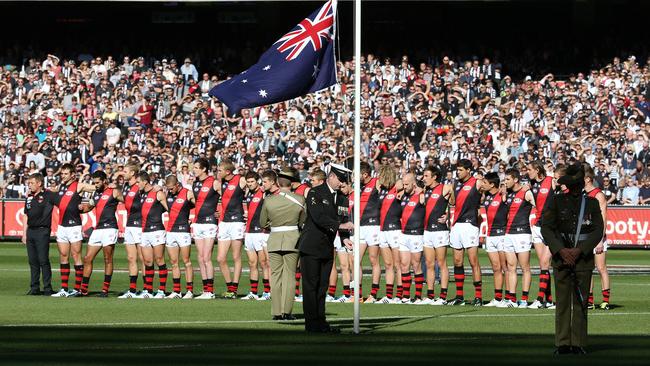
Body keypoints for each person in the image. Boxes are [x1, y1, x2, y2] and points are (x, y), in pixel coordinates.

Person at [541, 163, 604, 355]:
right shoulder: (556, 201)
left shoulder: (592, 203)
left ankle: (578, 343)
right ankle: (562, 343)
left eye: (577, 184)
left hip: (582, 258)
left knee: (580, 302)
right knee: (562, 303)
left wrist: (580, 250)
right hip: (561, 257)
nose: (576, 187)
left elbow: (597, 230)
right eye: (573, 184)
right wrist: (560, 250)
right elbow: (546, 228)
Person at [299, 164, 353, 333]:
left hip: (327, 246)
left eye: (344, 181)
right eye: (340, 180)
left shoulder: (342, 198)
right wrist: (341, 226)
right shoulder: (315, 192)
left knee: (323, 286)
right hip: (311, 245)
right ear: (331, 177)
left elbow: (343, 216)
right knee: (310, 286)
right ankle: (311, 323)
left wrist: (345, 239)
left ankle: (321, 321)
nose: (342, 184)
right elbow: (318, 217)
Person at [260, 169, 306, 320]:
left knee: (275, 276)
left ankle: (276, 312)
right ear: (292, 183)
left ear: (278, 183)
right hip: (292, 238)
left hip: (274, 239)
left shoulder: (269, 200)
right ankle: (287, 311)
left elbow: (262, 222)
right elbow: (302, 221)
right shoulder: (300, 199)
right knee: (290, 276)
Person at [79, 170, 124, 297]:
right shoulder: (95, 194)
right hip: (98, 229)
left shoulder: (113, 191)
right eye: (94, 182)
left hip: (110, 228)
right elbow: (89, 207)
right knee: (87, 258)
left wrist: (118, 187)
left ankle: (105, 290)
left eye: (98, 182)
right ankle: (84, 290)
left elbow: (126, 199)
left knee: (107, 259)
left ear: (105, 181)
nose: (96, 185)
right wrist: (82, 208)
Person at [50, 164, 90, 297]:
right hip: (62, 226)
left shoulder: (78, 185)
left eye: (66, 174)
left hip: (74, 226)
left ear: (72, 174)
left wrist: (86, 203)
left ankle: (77, 289)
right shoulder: (61, 186)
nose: (63, 176)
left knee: (76, 256)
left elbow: (95, 189)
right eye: (62, 174)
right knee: (63, 256)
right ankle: (64, 289)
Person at [448, 159, 483, 306]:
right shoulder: (455, 184)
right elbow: (452, 203)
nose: (458, 172)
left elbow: (491, 189)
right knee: (457, 261)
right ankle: (459, 296)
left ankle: (478, 296)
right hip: (457, 225)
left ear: (469, 170)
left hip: (470, 224)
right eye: (457, 170)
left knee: (473, 261)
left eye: (461, 170)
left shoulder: (477, 182)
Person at [501, 168, 536, 308]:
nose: (505, 182)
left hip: (522, 233)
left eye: (507, 179)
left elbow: (539, 206)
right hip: (509, 234)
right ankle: (512, 299)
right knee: (511, 267)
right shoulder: (508, 193)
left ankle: (524, 299)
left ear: (515, 180)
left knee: (525, 268)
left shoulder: (526, 192)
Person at [422, 165, 454, 305]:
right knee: (429, 263)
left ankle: (443, 297)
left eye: (426, 176)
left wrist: (447, 215)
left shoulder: (445, 188)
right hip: (427, 230)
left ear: (434, 177)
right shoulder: (425, 190)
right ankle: (430, 296)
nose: (424, 179)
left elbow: (454, 204)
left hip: (440, 230)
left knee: (441, 263)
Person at [22, 173, 58, 296]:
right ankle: (34, 287)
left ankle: (47, 288)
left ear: (39, 183)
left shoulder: (48, 195)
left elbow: (61, 202)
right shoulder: (29, 197)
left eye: (31, 183)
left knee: (43, 260)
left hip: (42, 231)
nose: (29, 185)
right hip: (30, 231)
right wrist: (24, 233)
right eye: (28, 183)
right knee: (32, 261)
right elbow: (26, 215)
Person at [526, 160, 556, 309]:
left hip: (550, 227)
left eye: (529, 169)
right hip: (538, 226)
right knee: (543, 265)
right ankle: (549, 301)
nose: (527, 172)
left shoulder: (550, 181)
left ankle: (539, 299)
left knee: (545, 263)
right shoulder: (531, 184)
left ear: (537, 170)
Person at [216, 160, 247, 299]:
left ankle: (233, 289)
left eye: (220, 170)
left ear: (228, 171)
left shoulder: (240, 180)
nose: (218, 172)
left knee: (236, 256)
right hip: (224, 222)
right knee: (221, 258)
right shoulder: (221, 183)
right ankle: (230, 288)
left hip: (237, 222)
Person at [135, 171, 169, 299]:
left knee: (159, 260)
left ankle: (161, 291)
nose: (137, 184)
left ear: (145, 182)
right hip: (145, 231)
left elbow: (169, 208)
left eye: (138, 182)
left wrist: (162, 188)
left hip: (157, 230)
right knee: (147, 261)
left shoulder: (158, 193)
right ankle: (148, 291)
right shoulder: (141, 194)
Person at [191, 158, 221, 299]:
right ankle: (205, 290)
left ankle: (210, 291)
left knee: (207, 257)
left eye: (197, 167)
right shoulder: (195, 183)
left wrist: (221, 211)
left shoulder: (214, 182)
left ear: (204, 169)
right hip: (197, 222)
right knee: (200, 257)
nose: (194, 169)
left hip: (210, 222)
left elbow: (228, 197)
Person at [583, 164, 610, 310]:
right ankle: (590, 301)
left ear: (587, 179)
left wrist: (600, 239)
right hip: (586, 236)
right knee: (588, 268)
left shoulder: (598, 195)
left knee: (601, 267)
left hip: (597, 236)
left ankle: (605, 300)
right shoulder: (583, 194)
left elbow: (603, 218)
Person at [164, 175, 196, 299]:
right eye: (168, 189)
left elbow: (199, 205)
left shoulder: (187, 193)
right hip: (171, 231)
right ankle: (176, 291)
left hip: (183, 231)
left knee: (186, 261)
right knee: (174, 262)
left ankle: (189, 291)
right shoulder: (168, 195)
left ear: (177, 185)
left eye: (171, 188)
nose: (170, 191)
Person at [241, 171, 271, 301]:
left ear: (257, 181)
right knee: (252, 263)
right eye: (248, 182)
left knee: (264, 263)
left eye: (252, 181)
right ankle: (253, 292)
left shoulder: (264, 193)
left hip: (260, 232)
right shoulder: (248, 193)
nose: (250, 184)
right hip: (249, 232)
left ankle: (267, 292)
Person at [117, 163, 145, 298]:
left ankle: (147, 289)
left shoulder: (139, 186)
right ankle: (133, 290)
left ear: (133, 173)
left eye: (126, 171)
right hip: (129, 225)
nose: (123, 173)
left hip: (139, 225)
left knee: (143, 258)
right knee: (131, 258)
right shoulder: (126, 186)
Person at [480, 172, 508, 307]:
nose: (483, 184)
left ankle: (508, 298)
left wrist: (505, 190)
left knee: (505, 267)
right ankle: (497, 299)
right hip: (490, 236)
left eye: (485, 182)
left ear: (492, 184)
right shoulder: (486, 197)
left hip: (502, 234)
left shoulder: (502, 195)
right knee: (496, 268)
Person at [398, 172, 426, 304]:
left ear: (414, 184)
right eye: (403, 184)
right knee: (404, 265)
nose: (404, 186)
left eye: (407, 184)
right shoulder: (403, 195)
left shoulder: (421, 196)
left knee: (416, 265)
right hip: (404, 234)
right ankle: (406, 295)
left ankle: (418, 296)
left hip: (416, 234)